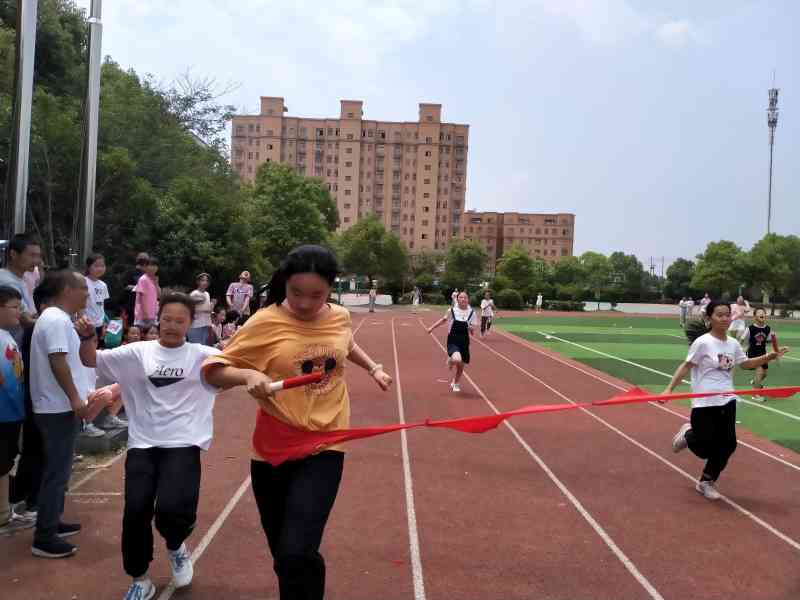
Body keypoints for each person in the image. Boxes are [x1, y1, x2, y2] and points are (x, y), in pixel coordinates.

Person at [203, 244, 392, 600]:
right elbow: (213, 371)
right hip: (273, 447)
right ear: (285, 284)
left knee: (296, 549)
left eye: (317, 295)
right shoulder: (265, 321)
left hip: (326, 442)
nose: (305, 303)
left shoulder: (339, 316)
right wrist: (246, 376)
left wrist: (373, 368)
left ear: (331, 289)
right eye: (296, 293)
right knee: (285, 555)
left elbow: (346, 343)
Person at [77, 292, 223, 600]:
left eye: (179, 321)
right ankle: (140, 578)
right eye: (167, 319)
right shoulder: (137, 352)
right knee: (135, 511)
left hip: (184, 441)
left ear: (190, 323)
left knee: (171, 512)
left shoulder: (205, 355)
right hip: (142, 443)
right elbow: (91, 359)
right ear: (158, 319)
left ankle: (176, 545)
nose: (172, 325)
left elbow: (237, 369)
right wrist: (87, 336)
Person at [663, 301, 788, 500]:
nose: (724, 318)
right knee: (705, 446)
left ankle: (706, 481)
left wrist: (768, 357)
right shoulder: (703, 342)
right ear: (709, 318)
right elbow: (686, 366)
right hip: (704, 402)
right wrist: (669, 389)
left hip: (727, 400)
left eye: (727, 315)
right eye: (719, 315)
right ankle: (688, 433)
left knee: (728, 445)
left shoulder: (732, 343)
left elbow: (745, 364)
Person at [29, 270, 107, 558]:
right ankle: (44, 536)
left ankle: (52, 521)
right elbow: (57, 360)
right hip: (57, 407)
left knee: (59, 470)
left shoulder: (59, 320)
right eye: (83, 288)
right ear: (66, 290)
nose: (88, 293)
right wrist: (75, 398)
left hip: (58, 406)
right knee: (57, 472)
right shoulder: (55, 320)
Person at [0, 286, 33, 534]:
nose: (19, 312)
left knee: (6, 461)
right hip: (2, 413)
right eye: (14, 307)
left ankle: (4, 512)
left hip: (12, 411)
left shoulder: (8, 336)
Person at [427, 291, 477, 393]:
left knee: (461, 366)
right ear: (457, 299)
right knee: (457, 359)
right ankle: (451, 359)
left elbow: (473, 330)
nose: (463, 299)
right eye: (461, 297)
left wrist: (471, 328)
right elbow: (443, 320)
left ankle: (456, 383)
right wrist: (431, 328)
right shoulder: (452, 311)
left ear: (468, 299)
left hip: (464, 340)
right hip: (453, 339)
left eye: (465, 297)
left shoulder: (472, 312)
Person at [0, 233, 42, 340]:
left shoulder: (20, 278)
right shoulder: (7, 282)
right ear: (13, 254)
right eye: (32, 255)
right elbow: (25, 319)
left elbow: (31, 314)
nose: (37, 261)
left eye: (38, 256)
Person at [744, 307, 779, 402]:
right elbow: (742, 339)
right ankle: (755, 395)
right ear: (754, 317)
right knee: (759, 370)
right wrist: (740, 351)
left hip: (763, 354)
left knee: (765, 374)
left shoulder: (767, 329)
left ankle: (755, 382)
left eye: (763, 312)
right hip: (752, 353)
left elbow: (768, 340)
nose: (761, 314)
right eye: (759, 312)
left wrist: (773, 337)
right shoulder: (750, 328)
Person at [84, 253, 110, 347]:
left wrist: (104, 323)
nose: (100, 268)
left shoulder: (103, 285)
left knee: (97, 350)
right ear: (88, 267)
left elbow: (101, 306)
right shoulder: (83, 282)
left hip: (99, 324)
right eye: (96, 266)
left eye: (102, 266)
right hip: (86, 324)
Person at [133, 257, 160, 330]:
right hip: (143, 316)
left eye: (155, 265)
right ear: (145, 267)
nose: (153, 268)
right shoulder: (143, 279)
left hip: (152, 315)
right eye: (151, 265)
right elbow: (141, 299)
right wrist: (145, 315)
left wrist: (156, 284)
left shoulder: (154, 279)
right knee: (142, 335)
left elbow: (159, 296)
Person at [125, 253, 149, 328]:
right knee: (133, 327)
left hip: (145, 306)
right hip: (132, 305)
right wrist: (139, 288)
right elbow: (126, 286)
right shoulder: (130, 272)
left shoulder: (148, 274)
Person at [188, 273, 213, 345]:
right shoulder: (194, 294)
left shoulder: (207, 294)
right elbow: (188, 309)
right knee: (195, 348)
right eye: (202, 280)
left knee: (202, 348)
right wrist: (205, 310)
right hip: (195, 325)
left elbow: (208, 309)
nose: (205, 282)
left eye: (207, 281)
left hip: (206, 324)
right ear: (198, 282)